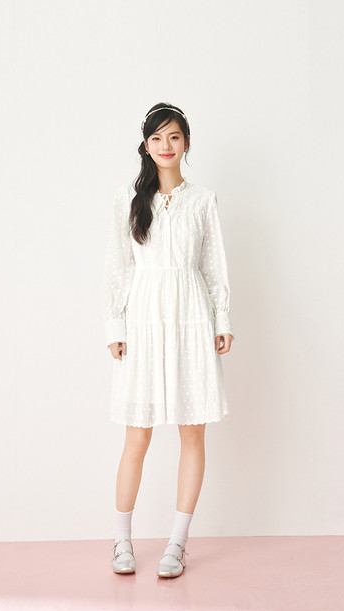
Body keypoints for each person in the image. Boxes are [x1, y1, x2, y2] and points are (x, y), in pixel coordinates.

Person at [102, 102, 235, 578]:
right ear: (145, 145)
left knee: (192, 431)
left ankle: (177, 544)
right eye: (156, 138)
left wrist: (221, 320)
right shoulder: (128, 198)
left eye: (174, 137)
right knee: (136, 435)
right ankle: (122, 540)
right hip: (144, 320)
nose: (165, 146)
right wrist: (115, 326)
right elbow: (118, 267)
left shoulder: (203, 200)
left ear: (186, 143)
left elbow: (214, 266)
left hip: (191, 319)